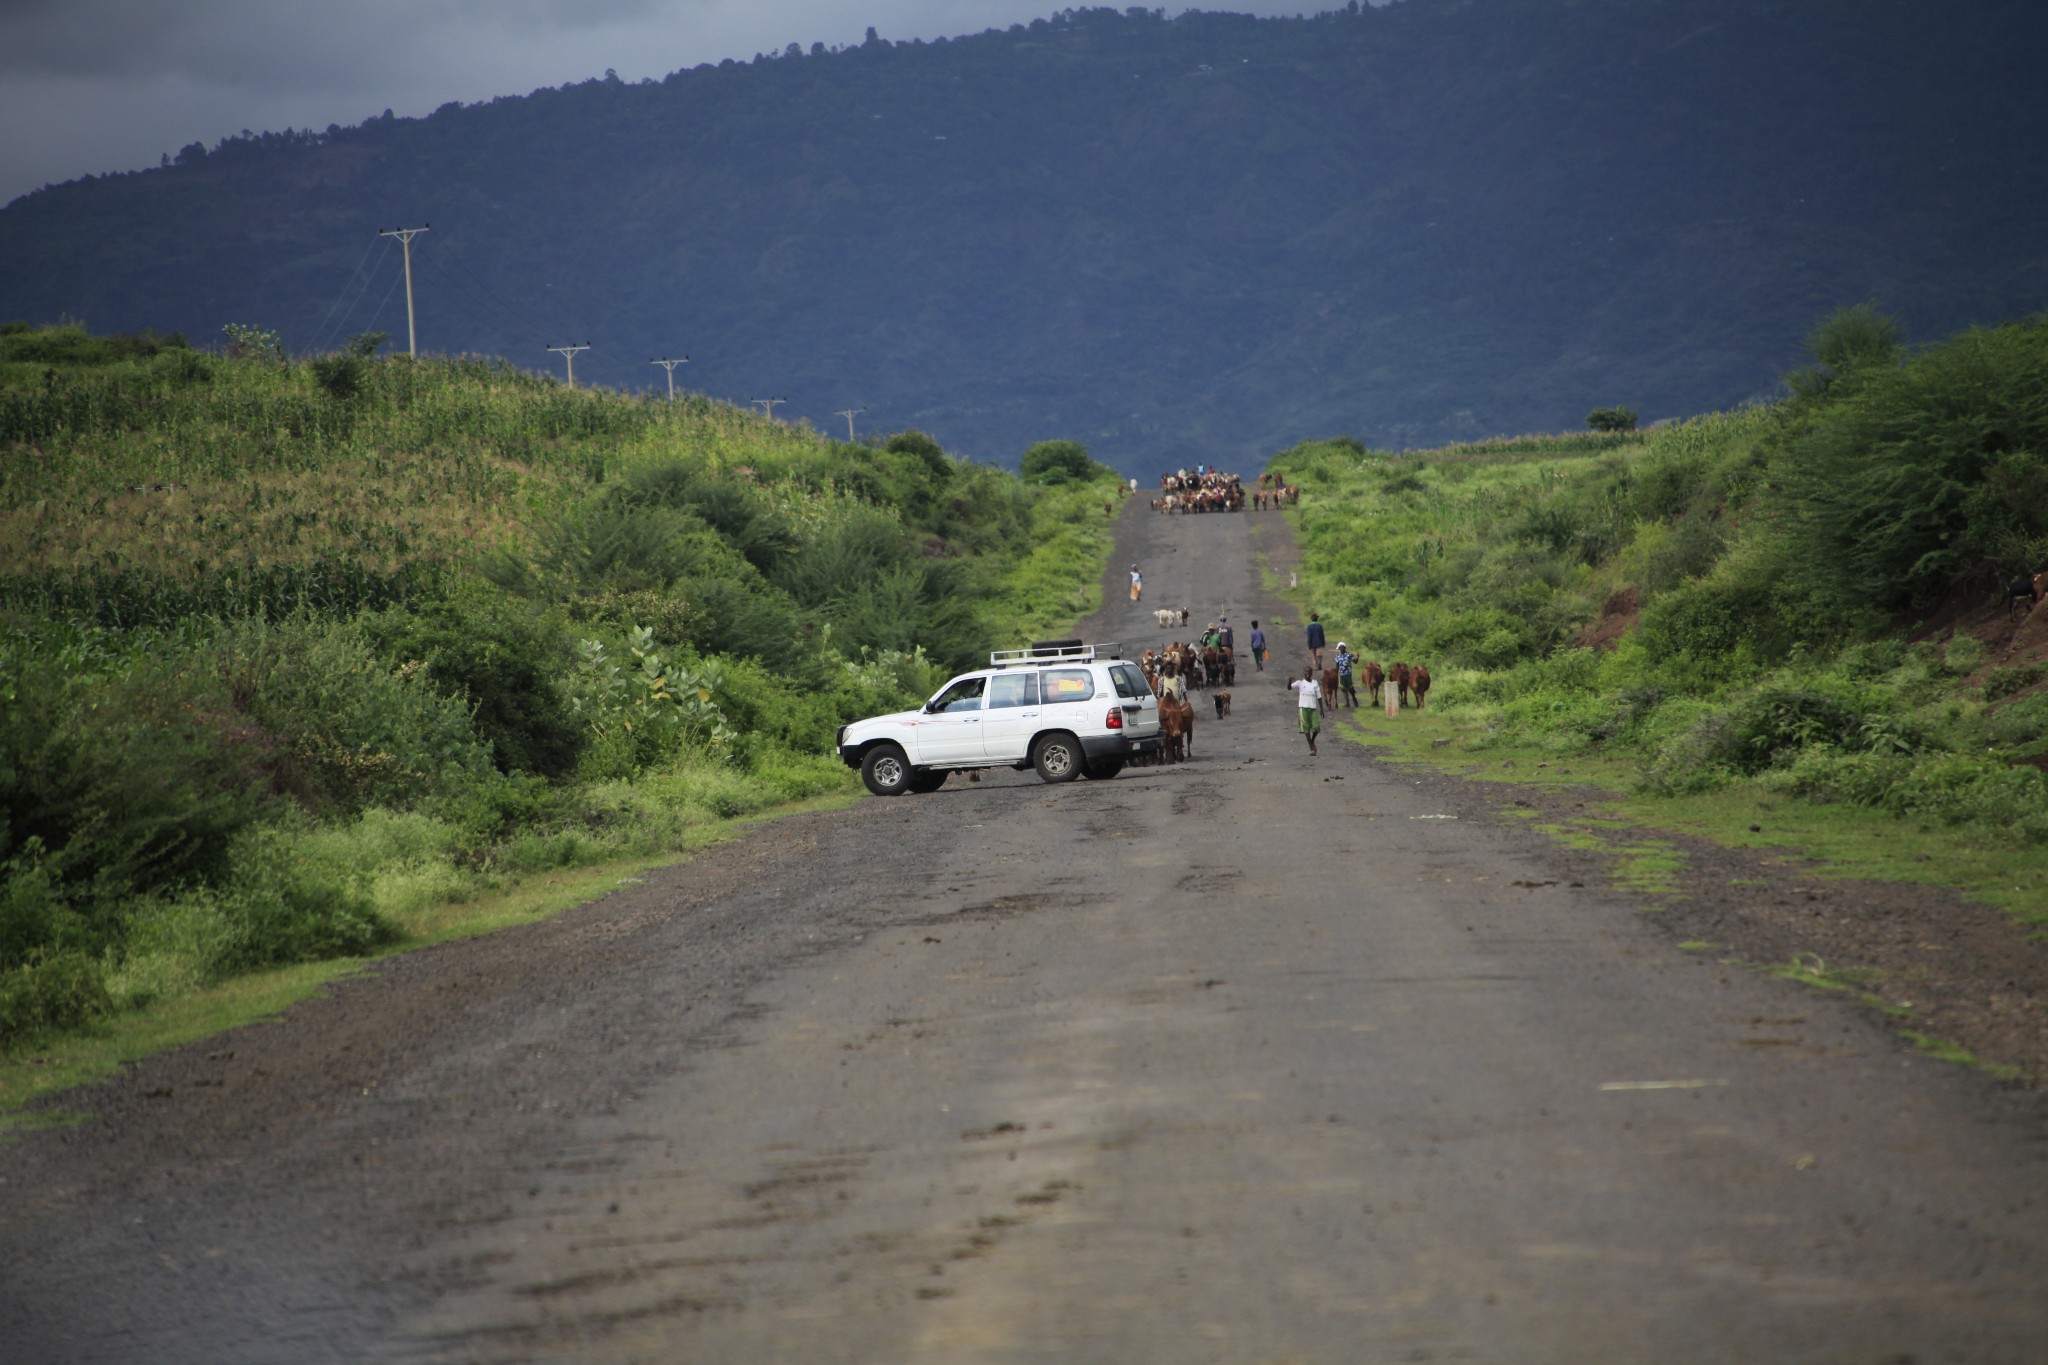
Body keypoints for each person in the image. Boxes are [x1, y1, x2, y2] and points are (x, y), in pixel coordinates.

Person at [1289, 668, 1323, 755]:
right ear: (1304, 673)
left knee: (1316, 728)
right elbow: (1289, 688)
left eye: (1309, 672)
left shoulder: (1315, 683)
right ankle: (1311, 748)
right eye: (1306, 672)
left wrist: (1322, 709)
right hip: (1303, 708)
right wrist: (1289, 681)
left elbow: (1319, 696)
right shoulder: (1300, 683)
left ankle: (1312, 741)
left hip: (1313, 708)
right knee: (1306, 728)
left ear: (1311, 673)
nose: (1308, 673)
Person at [1334, 641, 1357, 707]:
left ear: (1345, 648)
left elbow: (1355, 662)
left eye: (1342, 647)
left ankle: (1354, 699)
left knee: (1350, 688)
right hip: (1341, 674)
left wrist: (1357, 657)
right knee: (1343, 688)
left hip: (1348, 674)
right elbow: (1337, 665)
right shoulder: (1337, 656)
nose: (1341, 649)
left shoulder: (1349, 655)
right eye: (1340, 648)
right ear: (1339, 648)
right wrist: (1336, 672)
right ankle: (1347, 703)